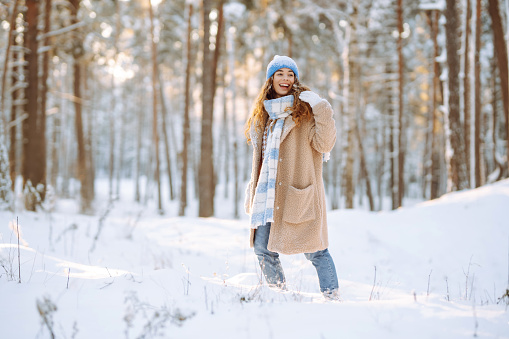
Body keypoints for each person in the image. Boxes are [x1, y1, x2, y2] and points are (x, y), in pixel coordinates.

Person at [244, 55, 340, 300]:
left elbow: (325, 143)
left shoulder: (305, 112)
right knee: (262, 249)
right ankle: (279, 295)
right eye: (280, 74)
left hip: (298, 191)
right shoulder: (264, 114)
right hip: (268, 194)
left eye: (290, 74)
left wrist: (321, 108)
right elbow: (262, 158)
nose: (285, 79)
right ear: (271, 79)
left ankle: (332, 296)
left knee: (316, 250)